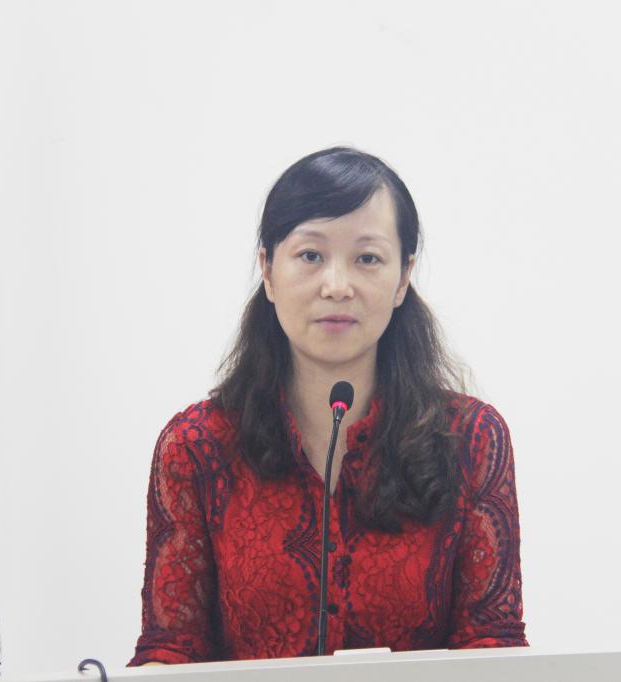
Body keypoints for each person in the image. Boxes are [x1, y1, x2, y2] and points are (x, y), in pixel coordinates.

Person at [129, 147, 526, 665]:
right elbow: (172, 650)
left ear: (403, 276)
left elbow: (493, 648)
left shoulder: (469, 439)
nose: (337, 287)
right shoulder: (198, 446)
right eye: (311, 256)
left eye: (367, 259)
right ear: (268, 270)